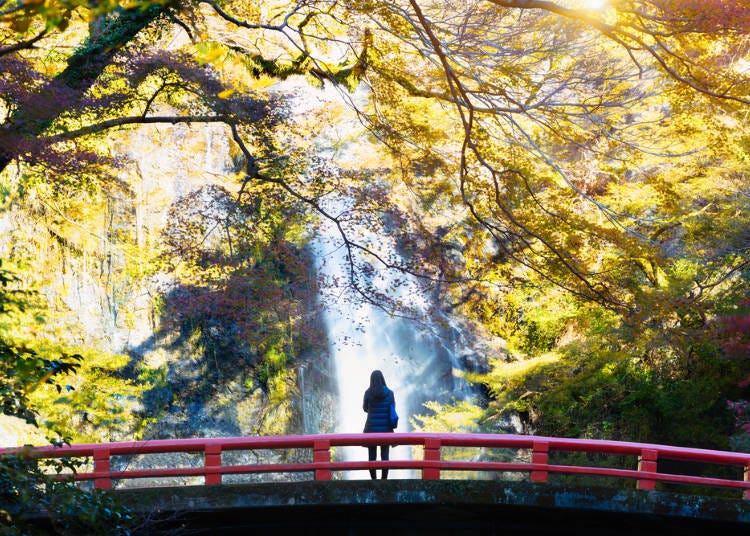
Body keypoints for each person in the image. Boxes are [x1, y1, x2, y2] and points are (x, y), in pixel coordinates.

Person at [362, 369, 397, 480]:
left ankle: (374, 481)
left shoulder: (368, 393)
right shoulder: (390, 393)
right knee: (385, 455)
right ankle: (384, 480)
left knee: (372, 456)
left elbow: (365, 409)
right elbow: (392, 409)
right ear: (383, 379)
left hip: (371, 429)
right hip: (386, 430)